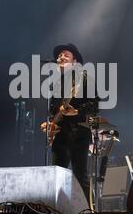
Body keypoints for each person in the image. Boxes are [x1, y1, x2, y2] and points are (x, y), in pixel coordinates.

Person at [41, 43, 99, 202]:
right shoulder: (55, 83)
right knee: (56, 175)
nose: (61, 57)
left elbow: (95, 104)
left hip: (79, 131)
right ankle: (55, 210)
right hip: (60, 134)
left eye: (66, 55)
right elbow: (53, 108)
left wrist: (77, 111)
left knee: (80, 175)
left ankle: (88, 212)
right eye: (59, 55)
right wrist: (49, 123)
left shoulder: (84, 78)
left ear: (74, 62)